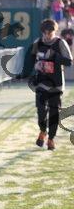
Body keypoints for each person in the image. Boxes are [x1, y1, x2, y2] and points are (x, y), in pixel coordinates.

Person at [22, 19, 73, 151]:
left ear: (55, 31)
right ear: (42, 32)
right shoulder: (37, 43)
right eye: (45, 33)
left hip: (56, 85)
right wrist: (35, 67)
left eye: (50, 32)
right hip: (41, 84)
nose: (47, 35)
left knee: (54, 114)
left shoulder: (60, 43)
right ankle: (43, 131)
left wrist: (54, 57)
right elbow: (29, 61)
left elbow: (69, 62)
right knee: (41, 112)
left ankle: (51, 139)